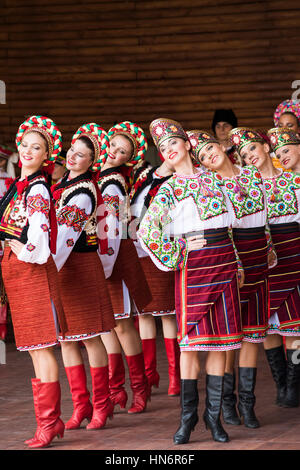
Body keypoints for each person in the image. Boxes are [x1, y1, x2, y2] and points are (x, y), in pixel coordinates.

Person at [138, 118, 244, 444]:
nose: (169, 150)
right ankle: (187, 420)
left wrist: (238, 261)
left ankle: (214, 420)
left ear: (186, 144)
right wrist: (180, 250)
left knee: (220, 342)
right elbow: (146, 231)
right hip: (193, 268)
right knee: (189, 345)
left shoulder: (215, 180)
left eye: (173, 143)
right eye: (163, 148)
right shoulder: (167, 189)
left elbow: (230, 226)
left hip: (224, 262)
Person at [188, 128, 274, 428]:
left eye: (210, 148)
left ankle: (247, 404)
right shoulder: (210, 184)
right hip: (232, 259)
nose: (210, 156)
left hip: (259, 256)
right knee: (230, 337)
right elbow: (219, 229)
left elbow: (264, 218)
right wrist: (233, 261)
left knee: (253, 333)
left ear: (220, 146)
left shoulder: (251, 174)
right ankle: (226, 404)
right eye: (202, 157)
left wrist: (270, 246)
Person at [0, 115, 67, 448]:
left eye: (36, 147)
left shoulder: (38, 187)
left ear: (46, 155)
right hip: (18, 271)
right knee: (34, 349)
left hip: (31, 270)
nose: (28, 151)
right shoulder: (20, 185)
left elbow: (39, 238)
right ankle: (49, 423)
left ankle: (49, 424)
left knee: (41, 349)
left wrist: (18, 247)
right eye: (25, 144)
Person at [51, 122, 116, 430]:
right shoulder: (62, 183)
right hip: (61, 267)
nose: (73, 157)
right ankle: (81, 405)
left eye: (81, 155)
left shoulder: (83, 191)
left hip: (77, 264)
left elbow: (65, 231)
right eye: (71, 152)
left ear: (93, 161)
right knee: (65, 338)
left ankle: (102, 404)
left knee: (90, 337)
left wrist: (45, 263)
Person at [230, 126, 300, 408]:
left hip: (294, 255)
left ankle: (294, 386)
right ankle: (281, 382)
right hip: (264, 258)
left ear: (265, 148)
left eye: (253, 149)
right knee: (269, 325)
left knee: (295, 325)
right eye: (244, 155)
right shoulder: (247, 185)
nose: (250, 156)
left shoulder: (294, 181)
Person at [97, 121, 152, 414]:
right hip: (95, 255)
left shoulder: (114, 182)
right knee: (103, 323)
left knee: (120, 321)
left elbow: (114, 226)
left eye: (122, 151)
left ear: (127, 158)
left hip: (112, 253)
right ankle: (115, 387)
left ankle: (140, 388)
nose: (114, 152)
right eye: (113, 145)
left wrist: (104, 257)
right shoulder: (95, 175)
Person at [130, 154, 181, 397]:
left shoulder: (180, 179)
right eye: (164, 145)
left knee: (168, 313)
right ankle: (150, 374)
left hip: (163, 248)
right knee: (145, 312)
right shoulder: (143, 176)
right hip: (138, 249)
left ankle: (175, 375)